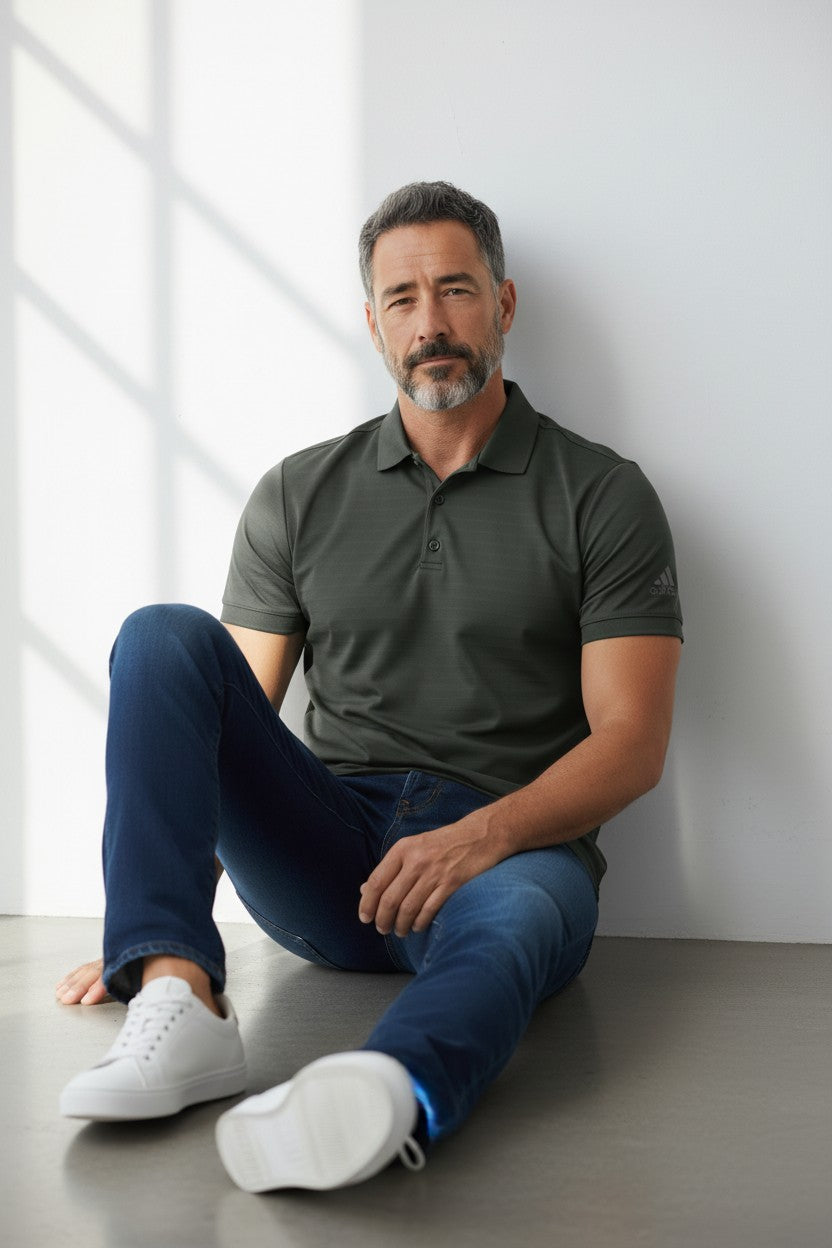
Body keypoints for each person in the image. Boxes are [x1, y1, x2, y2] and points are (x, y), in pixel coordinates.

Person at [57, 181, 683, 1193]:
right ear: (372, 322)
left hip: (505, 851)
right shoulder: (299, 493)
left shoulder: (600, 495)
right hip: (330, 855)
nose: (429, 324)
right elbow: (224, 724)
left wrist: (480, 836)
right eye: (401, 299)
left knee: (518, 923)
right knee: (163, 639)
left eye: (455, 290)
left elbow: (631, 741)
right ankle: (177, 1001)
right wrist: (154, 921)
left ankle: (383, 1091)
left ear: (504, 304)